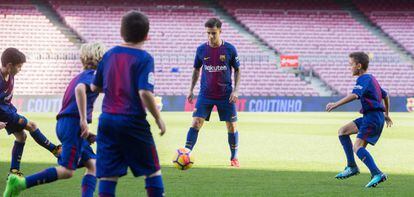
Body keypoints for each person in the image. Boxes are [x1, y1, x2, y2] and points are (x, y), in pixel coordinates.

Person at [3, 42, 106, 197]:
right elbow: (80, 91)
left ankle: (17, 172)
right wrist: (83, 121)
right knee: (67, 171)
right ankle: (21, 183)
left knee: (93, 164)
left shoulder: (78, 77)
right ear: (100, 58)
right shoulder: (91, 76)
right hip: (71, 125)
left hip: (67, 124)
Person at [91, 11, 166, 197]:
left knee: (108, 176)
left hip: (107, 120)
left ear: (121, 32)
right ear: (147, 36)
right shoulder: (144, 58)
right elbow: (144, 92)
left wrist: (116, 86)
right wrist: (158, 118)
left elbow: (94, 87)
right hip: (132, 121)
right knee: (152, 170)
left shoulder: (108, 55)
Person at [326, 52, 393, 188]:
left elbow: (355, 95)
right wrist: (386, 114)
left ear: (359, 65)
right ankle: (352, 167)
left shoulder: (364, 79)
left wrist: (335, 104)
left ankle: (377, 173)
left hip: (372, 118)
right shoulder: (372, 79)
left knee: (358, 147)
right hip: (371, 116)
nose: (349, 67)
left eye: (351, 65)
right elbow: (385, 96)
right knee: (343, 131)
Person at [184, 18, 241, 167]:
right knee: (196, 122)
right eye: (208, 33)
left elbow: (237, 70)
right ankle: (185, 154)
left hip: (225, 94)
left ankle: (234, 158)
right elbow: (196, 69)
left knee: (232, 126)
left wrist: (236, 90)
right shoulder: (201, 49)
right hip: (206, 94)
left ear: (220, 31)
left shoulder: (230, 49)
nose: (210, 36)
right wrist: (191, 90)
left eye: (213, 33)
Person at [0, 48, 60, 177]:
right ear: (10, 66)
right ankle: (55, 150)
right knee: (31, 125)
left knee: (22, 137)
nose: (20, 70)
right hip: (5, 115)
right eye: (19, 67)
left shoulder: (9, 75)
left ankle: (14, 171)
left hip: (8, 111)